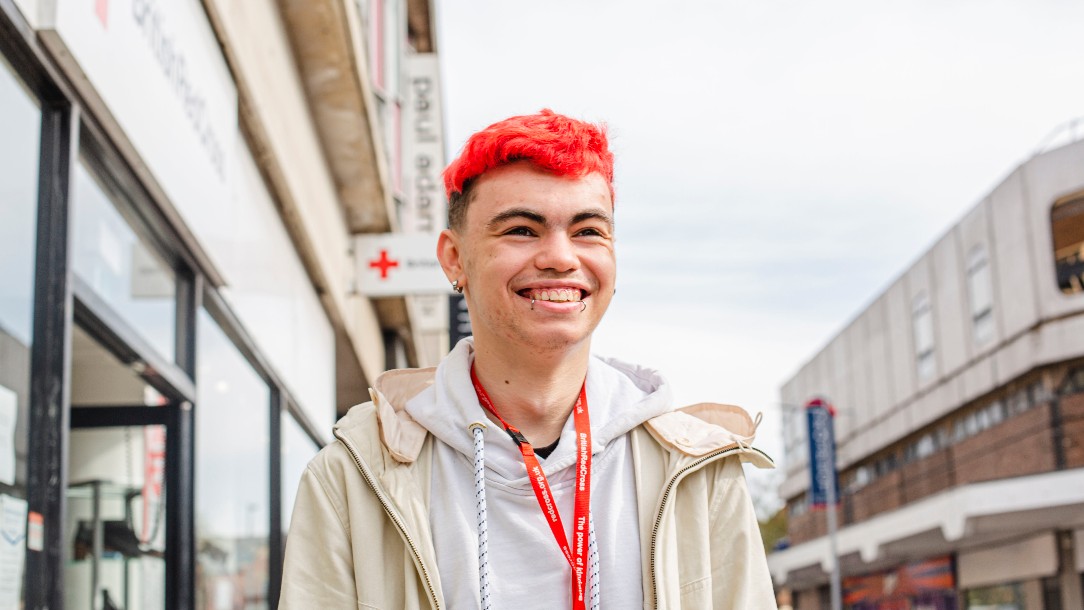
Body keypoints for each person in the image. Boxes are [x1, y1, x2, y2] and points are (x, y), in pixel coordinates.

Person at [280, 109, 777, 609]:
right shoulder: (352, 476)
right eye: (521, 230)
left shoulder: (698, 473)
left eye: (587, 231)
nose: (561, 257)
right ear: (455, 259)